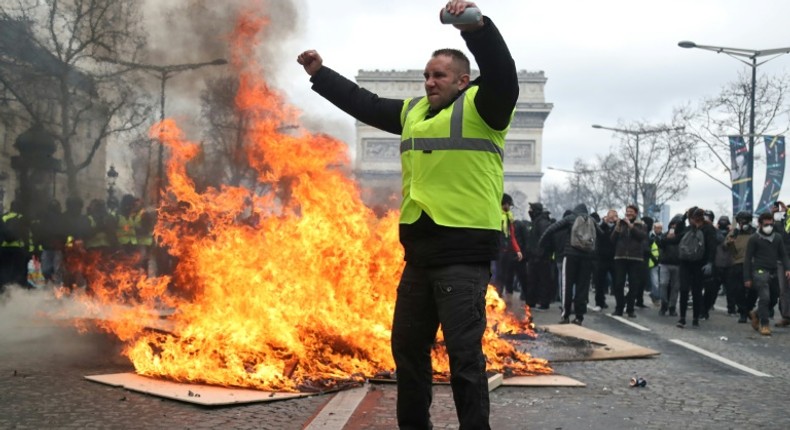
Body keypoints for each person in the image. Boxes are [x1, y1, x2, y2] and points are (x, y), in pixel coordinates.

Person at [297, 2, 517, 428]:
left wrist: (476, 27)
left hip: (462, 257)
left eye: (439, 75)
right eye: (427, 75)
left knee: (464, 361)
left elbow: (503, 70)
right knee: (408, 356)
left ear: (463, 80)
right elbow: (365, 103)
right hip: (419, 258)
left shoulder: (486, 109)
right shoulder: (413, 112)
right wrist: (320, 75)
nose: (430, 81)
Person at [744, 212, 790, 336]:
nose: (769, 226)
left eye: (771, 223)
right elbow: (747, 259)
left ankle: (756, 313)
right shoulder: (754, 238)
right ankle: (764, 325)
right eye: (766, 224)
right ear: (760, 224)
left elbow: (783, 255)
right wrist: (747, 277)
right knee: (764, 297)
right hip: (759, 270)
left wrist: (787, 268)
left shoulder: (777, 238)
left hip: (773, 270)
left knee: (774, 297)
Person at [677, 207, 717, 328]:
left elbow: (712, 246)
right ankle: (682, 318)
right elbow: (678, 233)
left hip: (700, 263)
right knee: (684, 290)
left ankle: (695, 318)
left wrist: (710, 262)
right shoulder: (689, 229)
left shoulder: (708, 229)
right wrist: (683, 218)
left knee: (696, 291)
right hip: (686, 262)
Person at [611, 205, 647, 317]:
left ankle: (630, 309)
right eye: (627, 212)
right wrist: (617, 228)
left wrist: (631, 226)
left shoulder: (641, 225)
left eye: (631, 212)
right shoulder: (620, 224)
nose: (628, 214)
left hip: (635, 258)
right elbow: (612, 240)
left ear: (636, 213)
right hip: (620, 257)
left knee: (633, 285)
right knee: (618, 284)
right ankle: (619, 308)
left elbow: (642, 236)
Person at [725, 211, 756, 323]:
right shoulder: (735, 232)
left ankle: (748, 308)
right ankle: (743, 311)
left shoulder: (755, 232)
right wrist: (730, 242)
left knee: (753, 289)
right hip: (738, 263)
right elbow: (726, 245)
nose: (742, 224)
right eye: (740, 221)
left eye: (744, 221)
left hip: (752, 263)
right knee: (738, 290)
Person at [523, 202, 553, 309]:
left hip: (541, 258)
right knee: (532, 280)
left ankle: (544, 303)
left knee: (543, 280)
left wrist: (539, 254)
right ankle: (531, 301)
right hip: (534, 257)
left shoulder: (542, 222)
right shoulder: (536, 222)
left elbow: (545, 240)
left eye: (531, 208)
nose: (529, 210)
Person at [494, 193, 523, 300]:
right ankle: (496, 295)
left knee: (504, 274)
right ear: (504, 204)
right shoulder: (496, 216)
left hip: (506, 251)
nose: (509, 207)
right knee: (497, 275)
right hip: (497, 250)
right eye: (508, 205)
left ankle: (500, 295)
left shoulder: (509, 217)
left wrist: (517, 250)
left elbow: (512, 236)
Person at [656, 215, 684, 316]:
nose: (674, 226)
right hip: (665, 263)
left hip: (677, 264)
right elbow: (659, 244)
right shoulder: (664, 235)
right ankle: (664, 304)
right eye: (672, 224)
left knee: (675, 287)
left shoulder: (682, 236)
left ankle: (672, 306)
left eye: (676, 225)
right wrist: (666, 238)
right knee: (663, 284)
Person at [592, 209, 618, 311]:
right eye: (610, 217)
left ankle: (620, 303)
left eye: (614, 216)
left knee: (617, 282)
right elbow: (599, 234)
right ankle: (599, 303)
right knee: (600, 282)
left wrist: (618, 224)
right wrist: (604, 223)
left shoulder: (618, 227)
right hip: (601, 257)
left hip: (615, 258)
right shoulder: (601, 226)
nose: (612, 219)